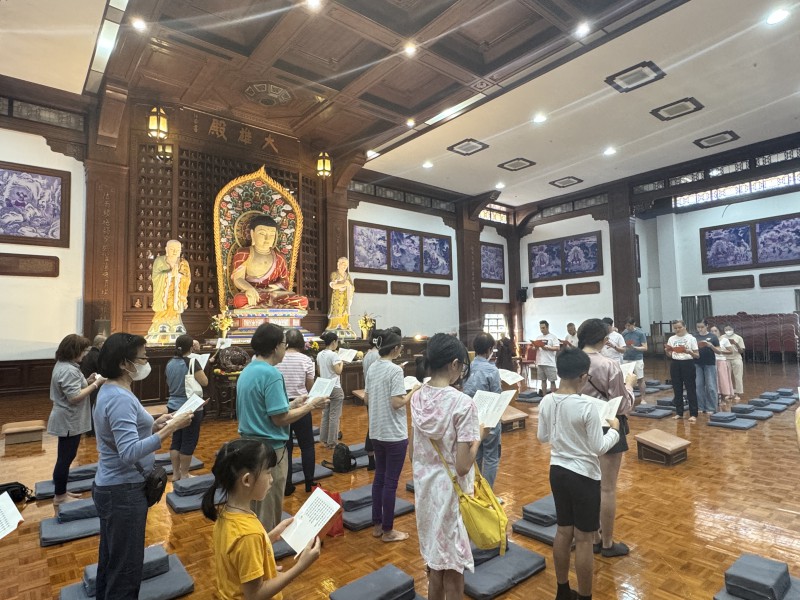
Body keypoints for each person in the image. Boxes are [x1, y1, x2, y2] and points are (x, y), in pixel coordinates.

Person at [93, 332, 194, 599]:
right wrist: (170, 429)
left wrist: (156, 423)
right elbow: (128, 452)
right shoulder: (119, 397)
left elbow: (127, 432)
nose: (146, 362)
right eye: (142, 358)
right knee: (126, 569)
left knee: (113, 562)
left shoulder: (114, 390)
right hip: (122, 490)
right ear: (124, 363)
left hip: (116, 486)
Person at [537, 347, 620, 600]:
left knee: (563, 531)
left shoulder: (546, 400)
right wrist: (615, 431)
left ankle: (562, 590)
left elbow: (542, 436)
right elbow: (598, 447)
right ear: (583, 377)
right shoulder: (586, 406)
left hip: (557, 472)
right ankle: (585, 596)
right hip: (583, 476)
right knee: (584, 539)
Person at [410, 333, 486, 600]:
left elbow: (413, 452)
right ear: (455, 364)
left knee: (435, 567)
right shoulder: (463, 404)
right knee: (454, 571)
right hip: (453, 493)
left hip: (426, 489)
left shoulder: (417, 397)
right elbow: (463, 465)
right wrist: (480, 437)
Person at [201, 439, 321, 600]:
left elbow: (237, 557)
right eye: (268, 472)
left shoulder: (226, 514)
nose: (271, 479)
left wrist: (270, 537)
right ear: (247, 480)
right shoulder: (249, 535)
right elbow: (255, 595)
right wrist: (300, 566)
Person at [236, 323, 329, 532]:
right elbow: (280, 419)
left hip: (248, 446)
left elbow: (265, 408)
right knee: (268, 507)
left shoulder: (249, 369)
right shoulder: (271, 374)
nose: (285, 349)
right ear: (276, 346)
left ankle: (256, 545)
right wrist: (311, 405)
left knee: (254, 505)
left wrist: (293, 404)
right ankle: (266, 550)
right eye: (284, 345)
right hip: (269, 450)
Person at [577, 318, 637, 559]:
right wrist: (629, 385)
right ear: (603, 340)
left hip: (579, 427)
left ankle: (593, 538)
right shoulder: (609, 364)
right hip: (607, 425)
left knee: (587, 485)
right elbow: (623, 405)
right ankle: (608, 543)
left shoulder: (571, 361)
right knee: (607, 488)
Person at [365, 331, 417, 542]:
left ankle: (377, 526)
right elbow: (397, 403)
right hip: (394, 434)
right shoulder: (395, 370)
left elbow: (367, 399)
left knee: (379, 478)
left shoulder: (372, 367)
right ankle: (388, 531)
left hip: (376, 431)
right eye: (400, 347)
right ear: (395, 348)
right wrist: (413, 391)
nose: (401, 350)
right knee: (391, 482)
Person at [48, 334, 104, 508]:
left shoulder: (66, 365)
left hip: (68, 418)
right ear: (74, 351)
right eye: (83, 351)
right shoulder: (68, 370)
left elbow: (73, 388)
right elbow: (74, 397)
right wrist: (96, 384)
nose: (85, 354)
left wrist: (87, 381)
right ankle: (60, 496)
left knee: (66, 456)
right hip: (68, 419)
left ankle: (62, 491)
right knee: (65, 458)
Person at [231, 215, 308, 310]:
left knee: (303, 301)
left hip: (274, 294)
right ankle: (274, 306)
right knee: (239, 300)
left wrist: (276, 286)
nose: (267, 238)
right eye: (262, 234)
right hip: (254, 294)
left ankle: (264, 306)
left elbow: (285, 280)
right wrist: (249, 288)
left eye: (272, 234)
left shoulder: (279, 257)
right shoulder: (244, 253)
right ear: (252, 234)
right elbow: (238, 278)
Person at [275, 328, 318, 495]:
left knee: (286, 447)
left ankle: (286, 484)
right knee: (307, 445)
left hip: (282, 405)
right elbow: (309, 386)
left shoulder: (278, 359)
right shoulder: (307, 360)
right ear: (301, 342)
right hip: (301, 405)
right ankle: (309, 483)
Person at [462, 331, 503, 488]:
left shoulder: (466, 368)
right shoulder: (492, 370)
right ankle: (488, 493)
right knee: (491, 457)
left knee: (476, 454)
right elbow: (497, 396)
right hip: (488, 419)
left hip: (471, 418)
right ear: (490, 349)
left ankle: (475, 491)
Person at [165, 334, 208, 481]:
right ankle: (184, 474)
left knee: (176, 440)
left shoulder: (170, 363)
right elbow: (204, 382)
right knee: (189, 440)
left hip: (173, 406)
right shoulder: (192, 362)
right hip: (191, 406)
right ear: (191, 348)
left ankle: (175, 473)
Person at [148, 239, 191, 335]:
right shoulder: (159, 261)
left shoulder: (183, 263)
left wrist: (178, 275)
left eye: (178, 249)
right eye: (172, 249)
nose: (175, 252)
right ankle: (161, 323)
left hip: (177, 292)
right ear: (166, 249)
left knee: (175, 306)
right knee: (165, 305)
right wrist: (169, 274)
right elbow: (156, 277)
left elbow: (187, 278)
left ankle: (176, 323)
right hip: (164, 293)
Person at [665, 320, 700, 422]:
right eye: (675, 328)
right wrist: (667, 351)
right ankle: (679, 412)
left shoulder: (691, 338)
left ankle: (693, 413)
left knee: (690, 388)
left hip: (688, 363)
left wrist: (690, 352)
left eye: (679, 327)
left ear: (685, 327)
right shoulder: (671, 338)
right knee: (677, 388)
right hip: (675, 363)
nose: (677, 330)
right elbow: (670, 354)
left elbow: (697, 355)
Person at [317, 331, 345, 449]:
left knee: (325, 414)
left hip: (325, 387)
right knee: (334, 415)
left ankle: (324, 440)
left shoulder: (319, 354)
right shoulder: (334, 355)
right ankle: (332, 442)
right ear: (333, 342)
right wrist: (342, 362)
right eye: (337, 341)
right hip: (335, 387)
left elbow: (319, 371)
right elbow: (338, 371)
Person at [361, 328, 382, 471]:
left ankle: (371, 460)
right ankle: (377, 458)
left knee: (372, 426)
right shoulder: (378, 356)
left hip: (369, 394)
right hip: (378, 395)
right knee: (376, 427)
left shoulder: (367, 354)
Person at [80, 334, 106, 436]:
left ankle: (89, 429)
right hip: (94, 384)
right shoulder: (97, 356)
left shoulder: (89, 354)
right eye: (104, 343)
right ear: (100, 344)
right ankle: (93, 430)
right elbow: (102, 370)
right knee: (94, 407)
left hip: (87, 383)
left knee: (90, 407)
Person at [694, 320, 720, 414]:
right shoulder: (694, 337)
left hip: (709, 364)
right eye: (698, 327)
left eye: (702, 327)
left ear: (706, 326)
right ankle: (700, 406)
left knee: (711, 386)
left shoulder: (713, 337)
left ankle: (711, 407)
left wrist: (710, 345)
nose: (700, 329)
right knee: (698, 386)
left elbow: (719, 351)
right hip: (697, 363)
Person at [325, 256, 355, 333]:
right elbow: (333, 285)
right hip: (337, 297)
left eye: (346, 265)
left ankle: (344, 324)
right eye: (343, 264)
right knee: (337, 310)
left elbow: (352, 286)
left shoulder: (347, 275)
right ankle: (335, 325)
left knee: (345, 310)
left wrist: (349, 286)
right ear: (338, 264)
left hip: (345, 296)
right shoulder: (335, 274)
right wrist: (343, 284)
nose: (345, 266)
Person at [621, 318, 648, 399]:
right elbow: (622, 346)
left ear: (634, 324)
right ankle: (627, 398)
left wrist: (635, 347)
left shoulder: (640, 333)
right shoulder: (624, 333)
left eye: (629, 325)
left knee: (640, 379)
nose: (627, 327)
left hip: (637, 359)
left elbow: (645, 348)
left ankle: (643, 398)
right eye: (626, 326)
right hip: (626, 358)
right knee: (625, 379)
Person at [534, 320, 561, 396]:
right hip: (540, 362)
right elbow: (534, 348)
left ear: (547, 327)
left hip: (549, 362)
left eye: (543, 328)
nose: (542, 329)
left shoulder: (553, 337)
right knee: (543, 381)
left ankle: (553, 397)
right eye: (541, 328)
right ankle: (544, 397)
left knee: (552, 381)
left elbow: (557, 348)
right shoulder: (538, 337)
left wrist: (548, 348)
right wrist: (535, 347)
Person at [710, 325, 734, 406]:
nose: (714, 332)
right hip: (711, 361)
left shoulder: (724, 340)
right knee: (713, 380)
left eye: (715, 331)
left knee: (722, 380)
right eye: (712, 331)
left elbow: (731, 351)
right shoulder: (709, 340)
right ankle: (715, 399)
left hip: (721, 361)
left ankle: (723, 399)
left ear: (719, 331)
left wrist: (721, 351)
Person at [723, 324, 746, 401]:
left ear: (733, 329)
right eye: (726, 329)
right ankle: (728, 393)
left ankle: (738, 393)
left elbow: (741, 351)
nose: (728, 331)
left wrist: (735, 344)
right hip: (726, 358)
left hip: (736, 358)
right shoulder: (722, 337)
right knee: (726, 377)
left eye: (729, 329)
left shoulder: (738, 338)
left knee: (738, 376)